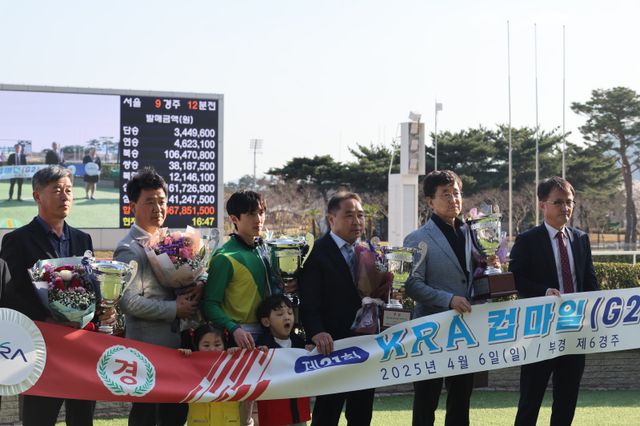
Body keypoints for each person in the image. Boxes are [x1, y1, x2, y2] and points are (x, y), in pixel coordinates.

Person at [0, 165, 111, 426]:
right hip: (41, 346)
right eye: (57, 190)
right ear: (37, 196)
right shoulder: (17, 240)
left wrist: (99, 311)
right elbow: (11, 294)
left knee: (82, 418)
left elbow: (91, 287)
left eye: (69, 190)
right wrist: (48, 320)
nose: (65, 196)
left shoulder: (82, 239)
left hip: (81, 344)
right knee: (39, 418)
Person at [510, 176, 599, 426]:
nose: (565, 207)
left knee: (566, 402)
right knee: (530, 401)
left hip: (573, 330)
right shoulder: (527, 240)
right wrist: (543, 292)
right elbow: (515, 279)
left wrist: (596, 309)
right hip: (539, 332)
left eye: (569, 202)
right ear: (542, 205)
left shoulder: (580, 239)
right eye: (558, 202)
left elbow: (589, 281)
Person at [115, 167, 199, 426]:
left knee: (175, 417)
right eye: (149, 202)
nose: (158, 208)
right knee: (146, 418)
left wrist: (200, 285)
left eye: (162, 201)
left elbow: (191, 274)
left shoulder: (172, 241)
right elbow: (128, 301)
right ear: (132, 206)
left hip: (179, 349)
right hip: (147, 354)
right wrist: (174, 309)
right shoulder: (128, 249)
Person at [404, 170, 486, 426]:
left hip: (466, 332)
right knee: (425, 402)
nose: (454, 199)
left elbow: (476, 276)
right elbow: (412, 284)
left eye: (457, 193)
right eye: (446, 194)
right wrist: (448, 299)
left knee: (461, 402)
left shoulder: (474, 234)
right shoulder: (417, 238)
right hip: (430, 332)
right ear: (430, 201)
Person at [299, 191, 376, 426]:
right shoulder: (315, 253)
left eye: (361, 215)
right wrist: (316, 331)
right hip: (331, 346)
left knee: (361, 413)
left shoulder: (369, 251)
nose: (357, 221)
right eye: (349, 215)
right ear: (331, 219)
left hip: (365, 344)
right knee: (327, 413)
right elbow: (309, 300)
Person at [202, 189, 277, 426]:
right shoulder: (224, 256)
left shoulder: (266, 250)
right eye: (251, 214)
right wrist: (233, 328)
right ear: (234, 219)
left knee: (268, 412)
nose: (259, 219)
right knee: (237, 416)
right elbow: (209, 304)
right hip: (239, 341)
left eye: (261, 213)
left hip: (268, 338)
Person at [256, 294, 312, 426]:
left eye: (290, 313)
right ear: (266, 322)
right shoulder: (262, 345)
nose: (287, 317)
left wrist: (310, 352)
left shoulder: (300, 343)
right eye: (280, 314)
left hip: (297, 405)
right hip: (274, 408)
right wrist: (258, 354)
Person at [178, 323, 242, 426]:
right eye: (206, 345)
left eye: (217, 345)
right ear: (197, 346)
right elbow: (178, 377)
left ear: (224, 345)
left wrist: (237, 355)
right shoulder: (190, 366)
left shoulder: (234, 364)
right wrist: (181, 357)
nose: (212, 349)